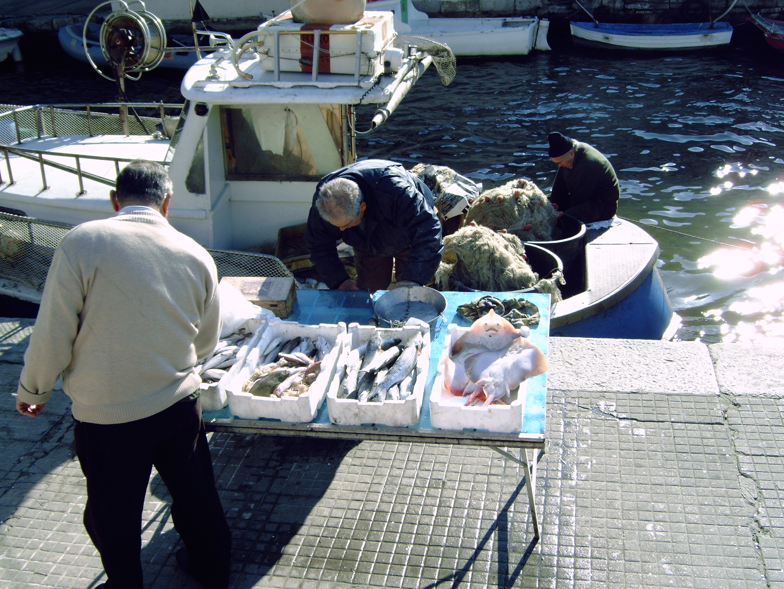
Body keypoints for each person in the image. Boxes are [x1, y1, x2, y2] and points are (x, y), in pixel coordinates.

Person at [15, 160, 231, 589]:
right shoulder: (197, 254)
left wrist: (34, 387)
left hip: (107, 415)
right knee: (195, 497)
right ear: (166, 203)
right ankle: (213, 571)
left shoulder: (83, 243)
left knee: (114, 513)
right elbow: (206, 343)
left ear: (115, 200)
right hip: (177, 404)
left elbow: (54, 327)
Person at [304, 159, 444, 291]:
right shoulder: (324, 201)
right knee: (369, 286)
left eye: (346, 224)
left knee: (409, 287)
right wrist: (339, 281)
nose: (340, 230)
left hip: (408, 233)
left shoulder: (398, 192)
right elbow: (318, 244)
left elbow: (429, 233)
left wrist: (414, 279)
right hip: (365, 241)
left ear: (362, 207)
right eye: (336, 226)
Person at [547, 131, 620, 224]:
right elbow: (559, 190)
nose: (559, 166)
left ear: (571, 153)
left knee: (566, 219)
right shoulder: (568, 157)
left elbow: (578, 201)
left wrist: (560, 214)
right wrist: (554, 203)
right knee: (547, 204)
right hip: (583, 196)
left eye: (559, 162)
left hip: (602, 205)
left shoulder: (588, 164)